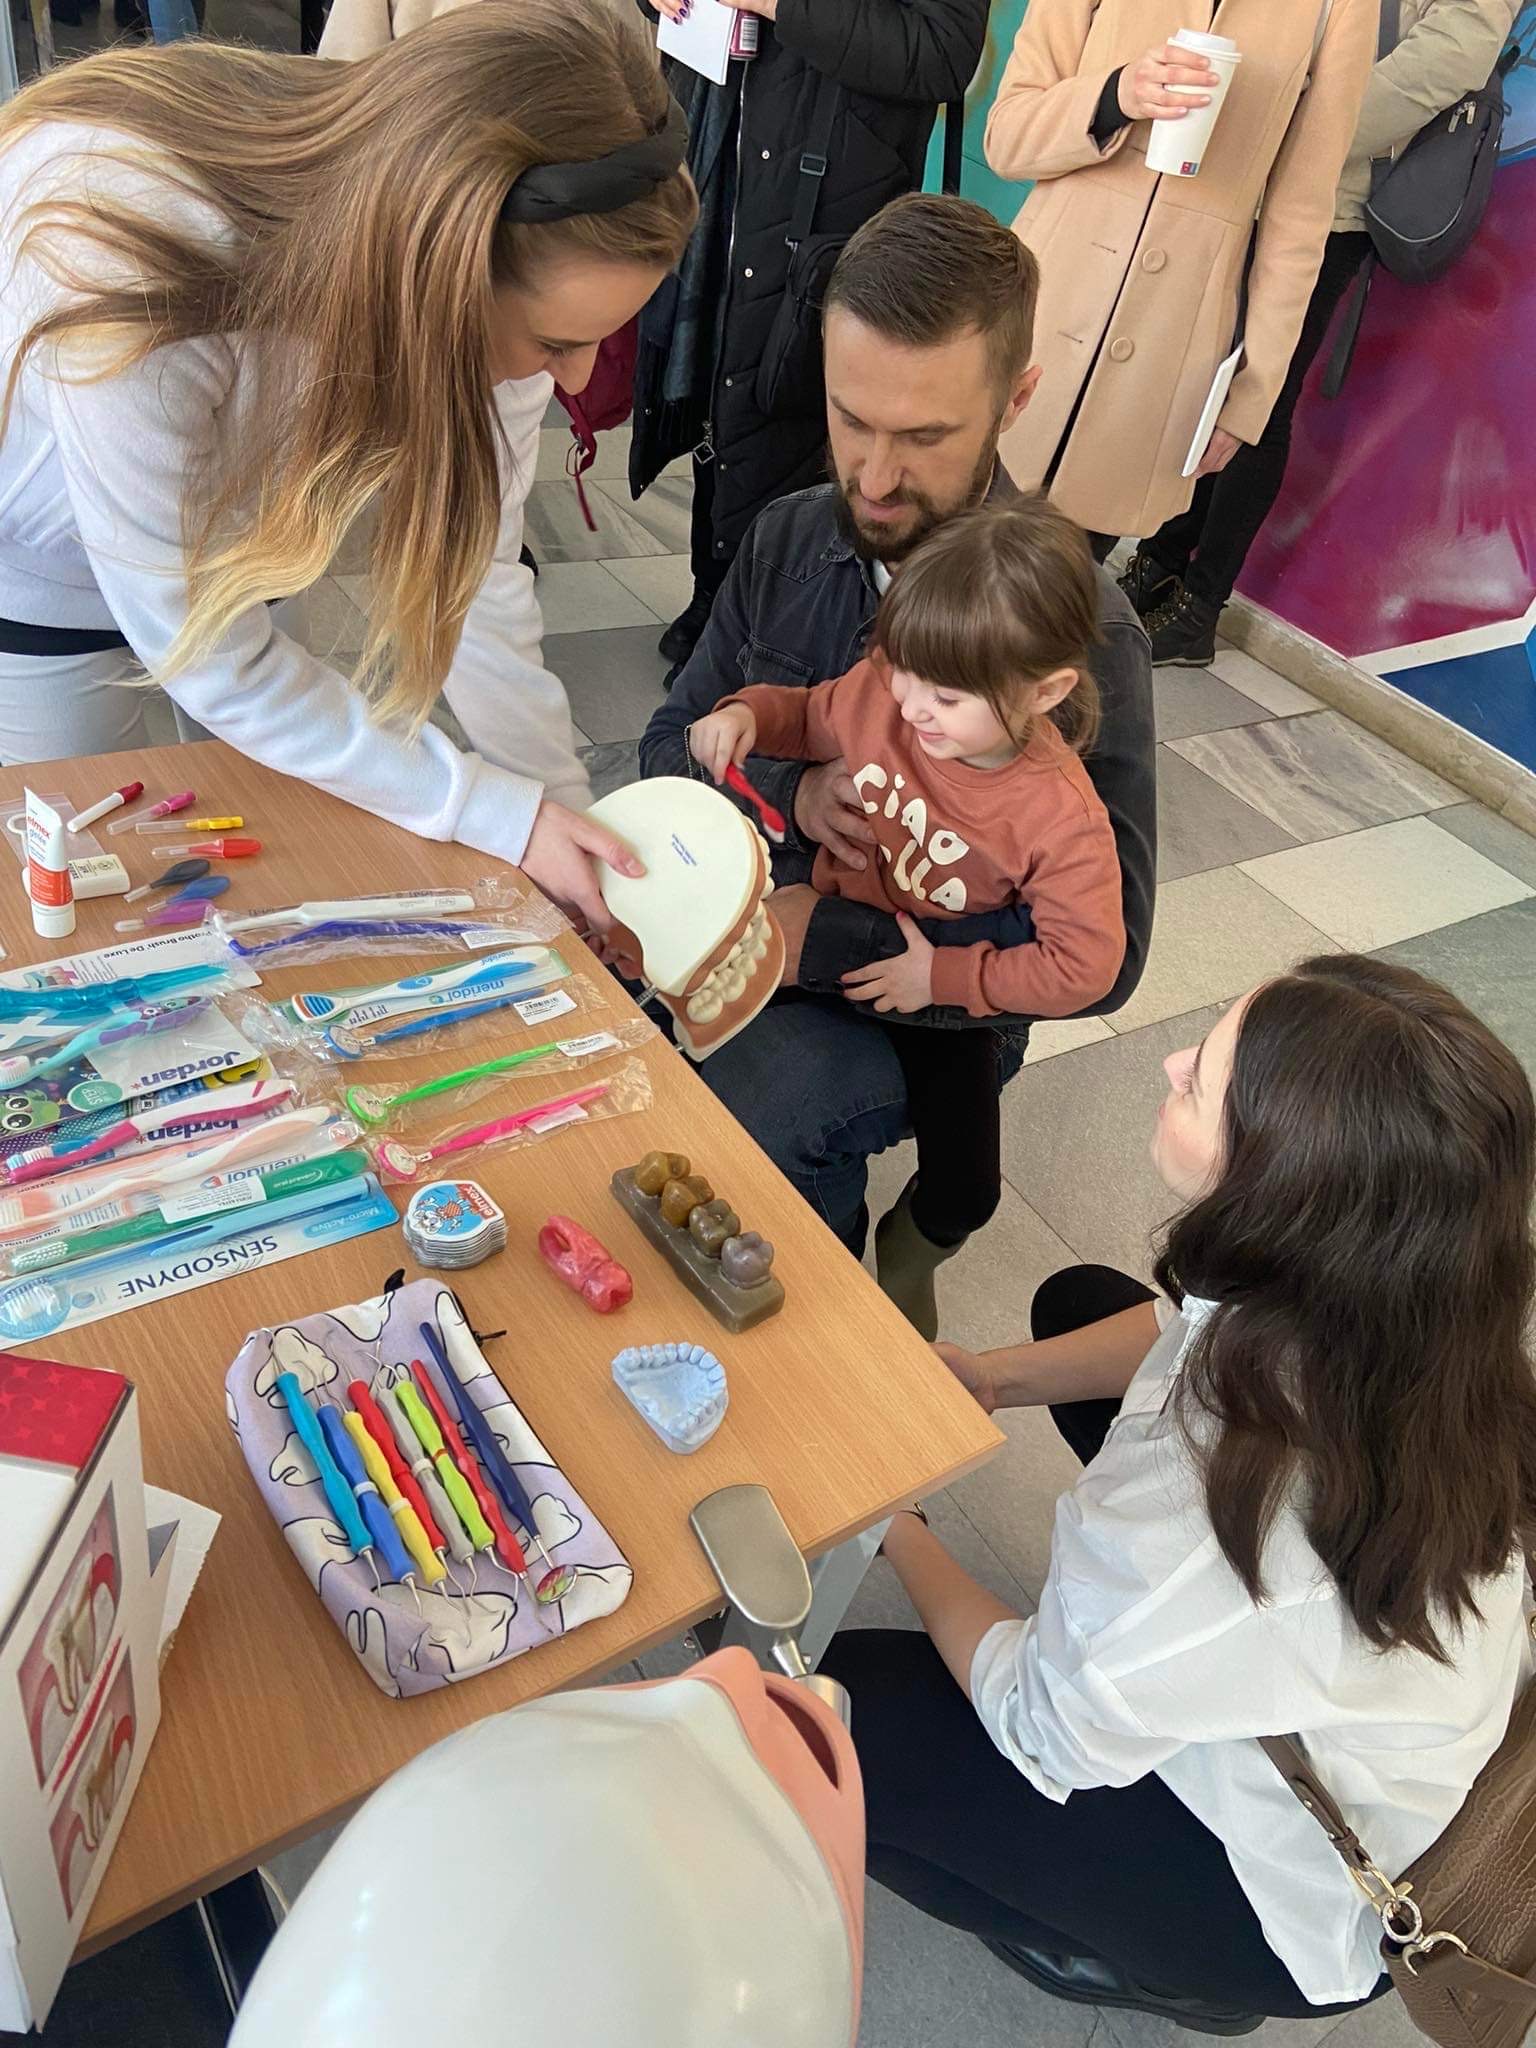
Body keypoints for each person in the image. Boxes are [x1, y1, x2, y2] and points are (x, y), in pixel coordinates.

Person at [821, 953, 1536, 2032]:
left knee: (833, 1713)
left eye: (1201, 1078)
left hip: (1291, 1896)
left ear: (1278, 1188)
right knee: (1081, 1300)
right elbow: (1182, 1320)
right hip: (1391, 1739)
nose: (1169, 1062)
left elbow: (1035, 1721)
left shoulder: (1215, 1515)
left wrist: (900, 1519)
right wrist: (995, 1379)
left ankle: (1139, 1959)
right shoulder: (1423, 1311)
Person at [0, 0, 697, 931]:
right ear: (432, 268)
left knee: (286, 862)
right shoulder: (132, 246)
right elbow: (209, 657)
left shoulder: (501, 267)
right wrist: (491, 810)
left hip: (242, 543)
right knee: (77, 888)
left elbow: (476, 579)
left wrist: (571, 825)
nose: (576, 379)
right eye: (557, 343)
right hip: (41, 580)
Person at [640, 193, 1156, 1258]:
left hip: (938, 993)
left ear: (1014, 401)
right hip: (756, 912)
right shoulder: (788, 538)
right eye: (851, 420)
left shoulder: (1086, 630)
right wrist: (794, 794)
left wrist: (862, 942)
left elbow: (1109, 957)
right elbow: (666, 746)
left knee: (754, 1113)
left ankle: (832, 1301)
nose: (874, 479)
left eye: (924, 437)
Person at [687, 500, 1123, 1336]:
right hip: (827, 929)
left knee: (967, 1191)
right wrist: (748, 714)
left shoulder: (1058, 817)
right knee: (693, 1032)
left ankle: (908, 1252)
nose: (913, 710)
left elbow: (1086, 965)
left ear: (1046, 691)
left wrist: (943, 977)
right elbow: (813, 713)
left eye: (947, 698)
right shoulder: (889, 689)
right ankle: (814, 1272)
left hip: (939, 993)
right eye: (903, 674)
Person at [1121, 0, 1524, 666]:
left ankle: (1199, 607)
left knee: (1260, 401)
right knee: (1208, 381)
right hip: (1256, 173)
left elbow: (1446, 61)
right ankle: (1160, 561)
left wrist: (1301, 128)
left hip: (1328, 197)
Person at [636, 0, 990, 684]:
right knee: (717, 381)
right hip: (719, 152)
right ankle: (717, 591)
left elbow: (944, 53)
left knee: (788, 396)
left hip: (834, 188)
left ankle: (763, 625)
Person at [982, 0, 1377, 561]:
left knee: (1059, 589)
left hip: (1164, 354)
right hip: (1032, 316)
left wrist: (1250, 395)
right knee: (930, 572)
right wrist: (1117, 95)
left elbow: (1299, 218)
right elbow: (1007, 136)